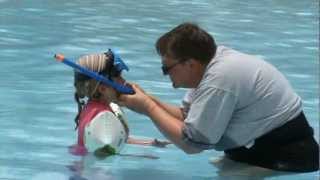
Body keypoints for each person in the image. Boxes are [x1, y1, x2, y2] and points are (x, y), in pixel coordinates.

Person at [118, 22, 319, 172]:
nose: (165, 73)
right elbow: (188, 116)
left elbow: (192, 144)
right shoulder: (212, 63)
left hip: (287, 156)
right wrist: (148, 100)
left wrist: (148, 108)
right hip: (256, 148)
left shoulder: (220, 80)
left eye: (166, 68)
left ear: (190, 64)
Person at [68, 50, 170, 156]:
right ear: (103, 89)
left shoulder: (93, 108)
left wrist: (150, 143)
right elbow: (103, 154)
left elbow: (114, 138)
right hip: (91, 170)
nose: (124, 81)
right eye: (118, 76)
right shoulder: (102, 116)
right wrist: (140, 157)